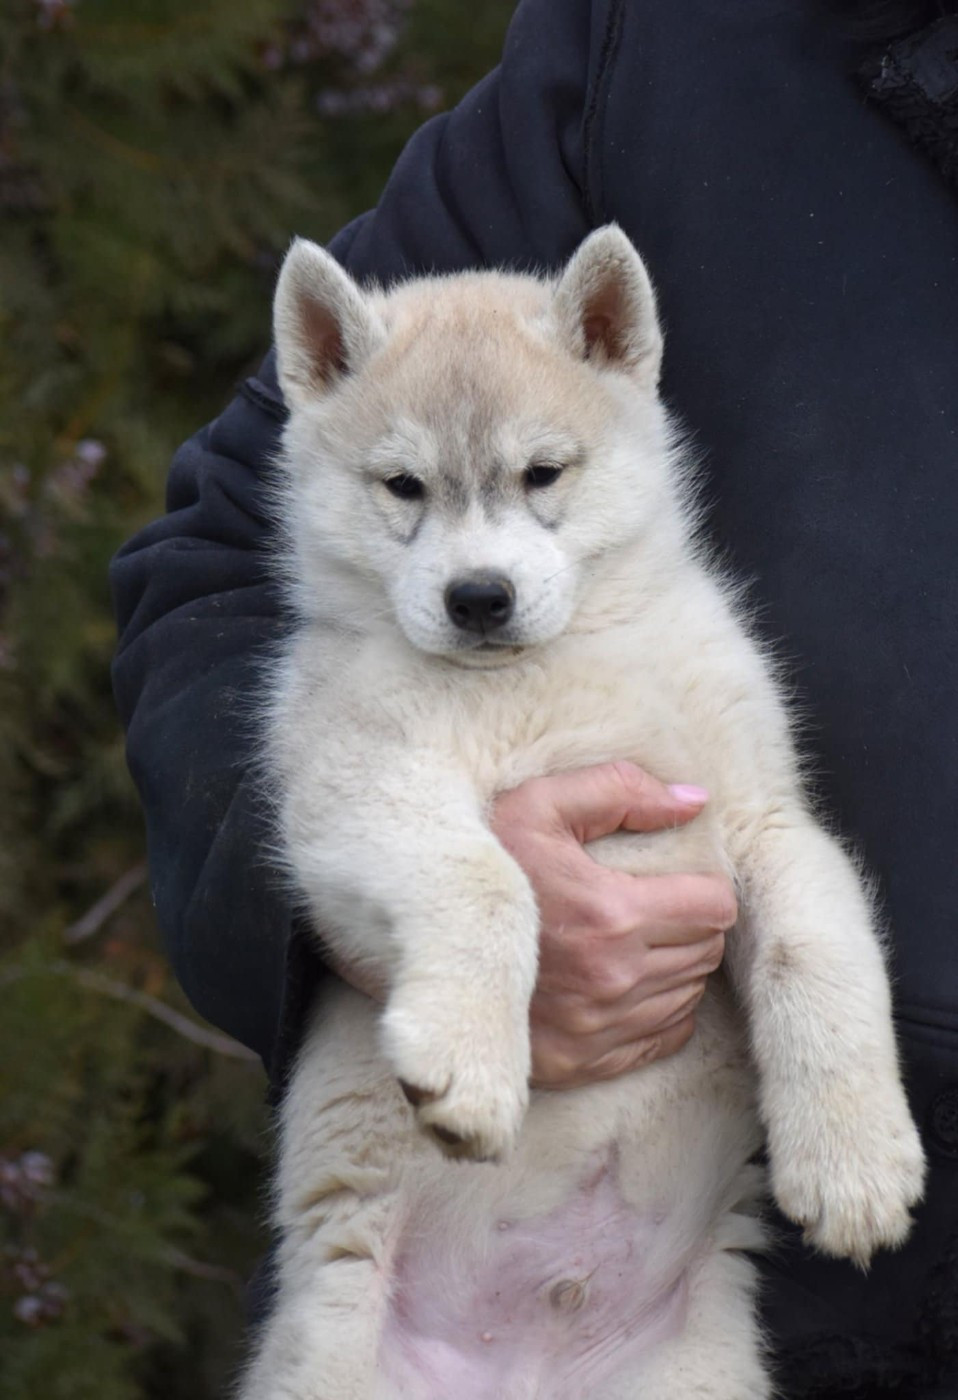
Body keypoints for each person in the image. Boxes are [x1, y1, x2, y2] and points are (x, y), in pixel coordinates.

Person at [110, 0, 958, 1395]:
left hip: (708, 1271)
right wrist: (423, 926)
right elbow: (214, 574)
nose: (479, 566)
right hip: (447, 1263)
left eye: (535, 490)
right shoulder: (662, 49)